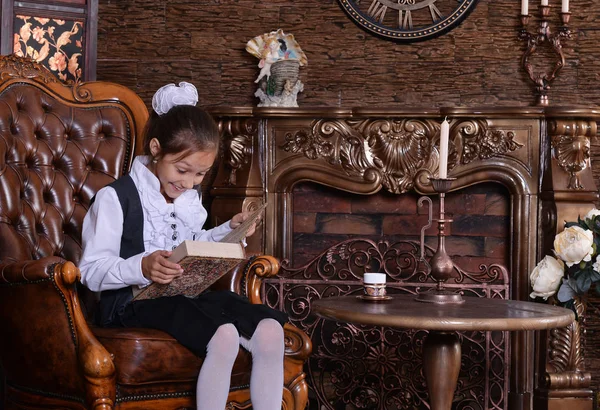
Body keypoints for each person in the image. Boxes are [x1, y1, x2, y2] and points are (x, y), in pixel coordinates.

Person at [79, 82, 287, 410]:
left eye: (200, 174)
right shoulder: (115, 198)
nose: (189, 183)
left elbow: (188, 247)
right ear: (157, 148)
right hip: (131, 303)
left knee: (271, 331)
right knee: (225, 335)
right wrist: (142, 266)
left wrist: (226, 232)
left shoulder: (187, 198)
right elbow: (90, 271)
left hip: (183, 295)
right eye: (182, 170)